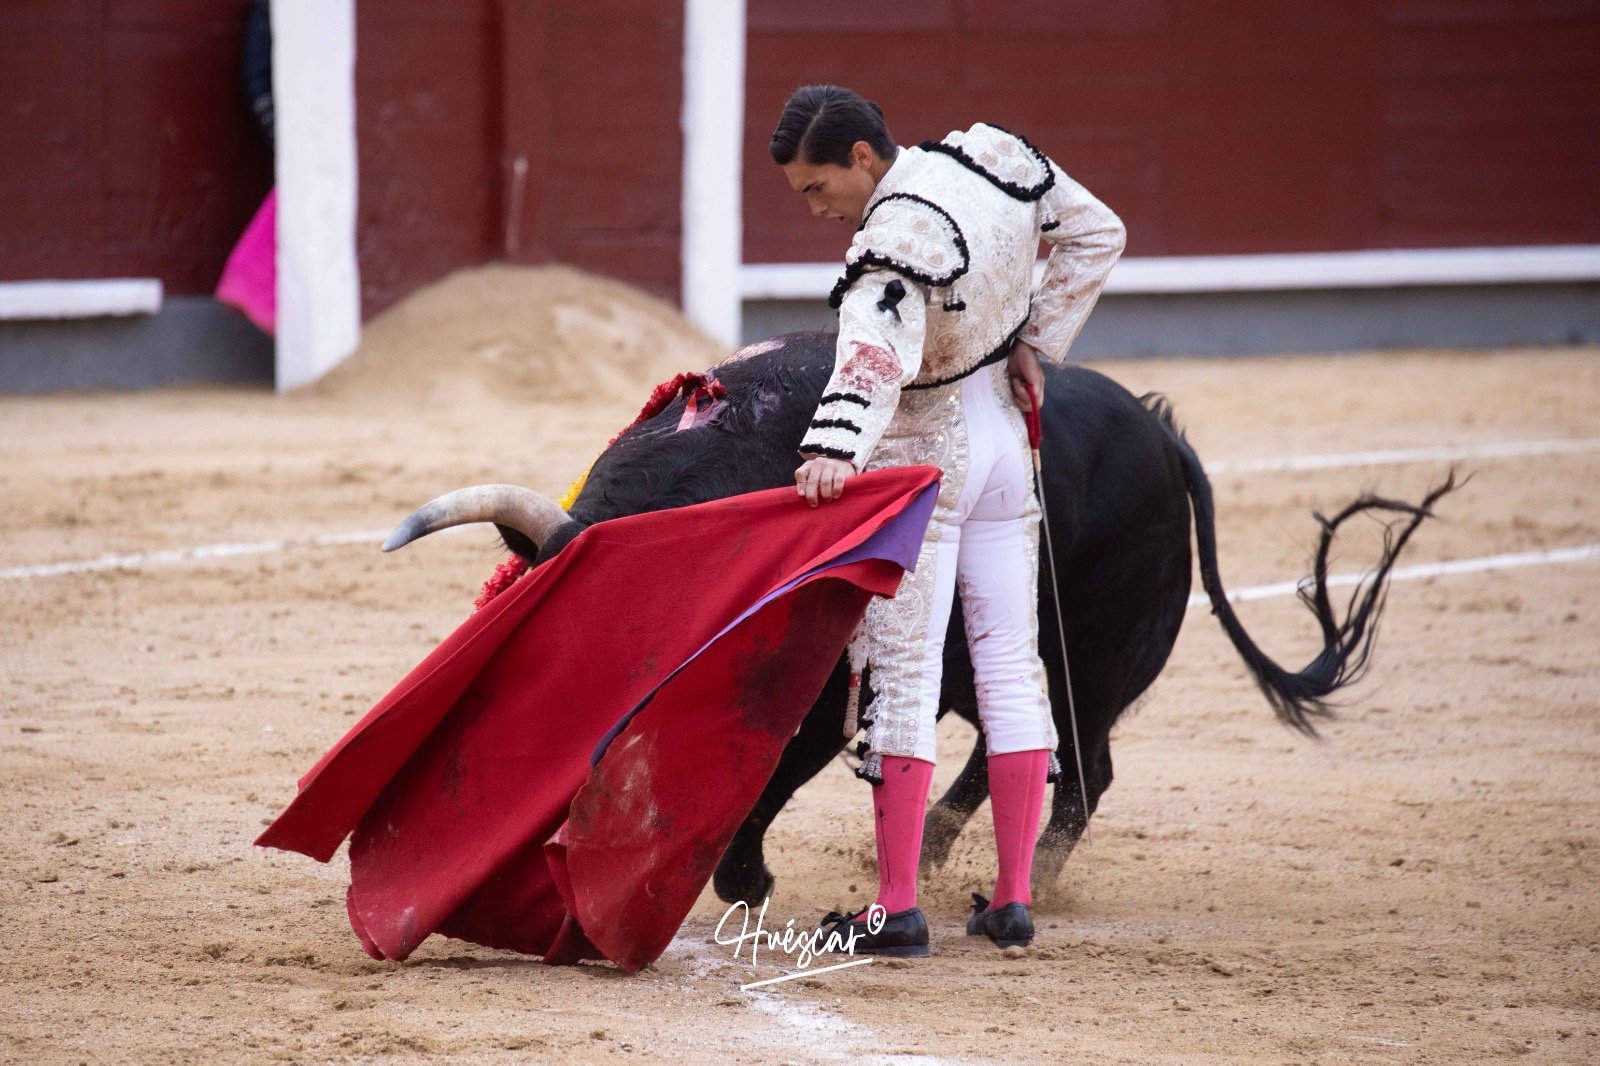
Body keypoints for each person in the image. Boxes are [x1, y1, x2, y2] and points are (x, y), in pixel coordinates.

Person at [772, 85, 1125, 955]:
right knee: (1009, 665)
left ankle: (896, 907)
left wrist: (833, 451)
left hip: (923, 459)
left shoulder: (895, 237)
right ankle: (1012, 901)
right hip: (1006, 441)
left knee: (905, 672)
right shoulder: (990, 161)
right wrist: (1035, 341)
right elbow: (1098, 233)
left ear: (861, 156)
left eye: (817, 187)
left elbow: (872, 359)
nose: (816, 209)